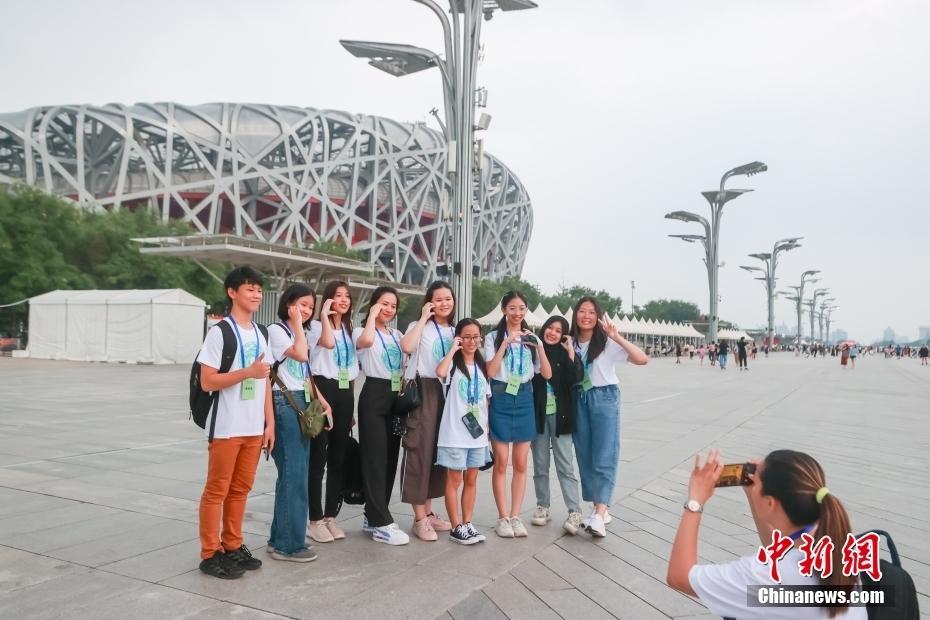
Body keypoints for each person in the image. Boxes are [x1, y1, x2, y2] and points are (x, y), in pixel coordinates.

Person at [667, 449, 866, 619]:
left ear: (771, 503)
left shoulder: (763, 575)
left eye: (757, 482)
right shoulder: (836, 546)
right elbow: (781, 552)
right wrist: (754, 494)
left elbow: (679, 577)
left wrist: (695, 500)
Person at [196, 266, 274, 579]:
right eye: (249, 288)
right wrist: (246, 373)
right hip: (227, 426)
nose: (256, 294)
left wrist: (270, 423)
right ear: (232, 292)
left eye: (258, 289)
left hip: (254, 427)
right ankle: (209, 552)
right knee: (217, 490)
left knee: (241, 489)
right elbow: (207, 381)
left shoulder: (261, 333)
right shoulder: (220, 332)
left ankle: (233, 544)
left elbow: (266, 380)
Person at [570, 297, 648, 536]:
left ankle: (600, 513)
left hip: (604, 397)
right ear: (575, 316)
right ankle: (599, 509)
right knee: (584, 454)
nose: (586, 316)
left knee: (604, 453)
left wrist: (616, 336)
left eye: (591, 312)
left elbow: (642, 359)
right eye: (582, 311)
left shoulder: (605, 342)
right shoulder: (571, 342)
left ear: (598, 316)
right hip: (579, 398)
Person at [267, 284, 333, 562]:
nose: (306, 311)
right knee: (294, 476)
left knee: (295, 476)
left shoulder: (300, 332)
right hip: (285, 403)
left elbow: (305, 373)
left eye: (309, 306)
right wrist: (295, 323)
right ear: (288, 304)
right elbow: (302, 356)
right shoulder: (277, 330)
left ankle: (279, 538)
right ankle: (289, 545)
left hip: (303, 401)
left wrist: (321, 400)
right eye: (301, 305)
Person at [485, 291, 552, 538]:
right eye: (512, 308)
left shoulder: (531, 339)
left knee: (522, 463)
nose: (517, 313)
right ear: (504, 310)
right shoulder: (492, 337)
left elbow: (546, 374)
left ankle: (515, 516)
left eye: (521, 308)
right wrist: (505, 343)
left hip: (524, 397)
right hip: (501, 396)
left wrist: (540, 346)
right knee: (502, 461)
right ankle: (502, 517)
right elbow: (490, 372)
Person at [353, 286, 410, 545]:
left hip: (395, 396)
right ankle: (381, 521)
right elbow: (364, 343)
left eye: (393, 306)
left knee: (390, 458)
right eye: (383, 304)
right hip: (374, 392)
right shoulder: (361, 331)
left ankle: (374, 515)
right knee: (375, 458)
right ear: (374, 304)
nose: (388, 309)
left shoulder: (397, 334)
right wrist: (372, 316)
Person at [399, 281, 455, 541]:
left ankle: (429, 512)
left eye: (448, 299)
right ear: (430, 301)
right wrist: (423, 317)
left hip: (446, 394)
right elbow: (407, 347)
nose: (444, 304)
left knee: (436, 455)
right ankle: (419, 518)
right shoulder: (419, 326)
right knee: (419, 451)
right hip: (423, 390)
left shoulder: (453, 330)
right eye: (439, 299)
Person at [306, 281, 357, 543]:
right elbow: (326, 343)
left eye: (347, 296)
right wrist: (325, 316)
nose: (344, 300)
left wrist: (350, 407)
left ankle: (330, 516)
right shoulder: (316, 326)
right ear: (327, 299)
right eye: (338, 296)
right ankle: (314, 520)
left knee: (339, 457)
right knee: (318, 459)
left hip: (345, 390)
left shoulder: (349, 329)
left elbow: (351, 364)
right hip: (322, 389)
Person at [436, 318, 492, 544]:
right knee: (454, 480)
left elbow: (484, 402)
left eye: (475, 336)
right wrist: (453, 349)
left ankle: (468, 523)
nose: (471, 341)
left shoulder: (481, 366)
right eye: (466, 336)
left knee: (472, 479)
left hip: (477, 434)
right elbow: (439, 371)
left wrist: (486, 432)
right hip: (454, 433)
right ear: (459, 338)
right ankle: (455, 525)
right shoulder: (452, 364)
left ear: (481, 338)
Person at [530, 316, 584, 535]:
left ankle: (574, 510)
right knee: (540, 464)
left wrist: (571, 350)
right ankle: (543, 506)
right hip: (538, 415)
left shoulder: (566, 353)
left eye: (558, 330)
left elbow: (576, 377)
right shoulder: (533, 351)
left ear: (564, 334)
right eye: (549, 328)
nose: (552, 333)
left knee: (565, 465)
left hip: (561, 416)